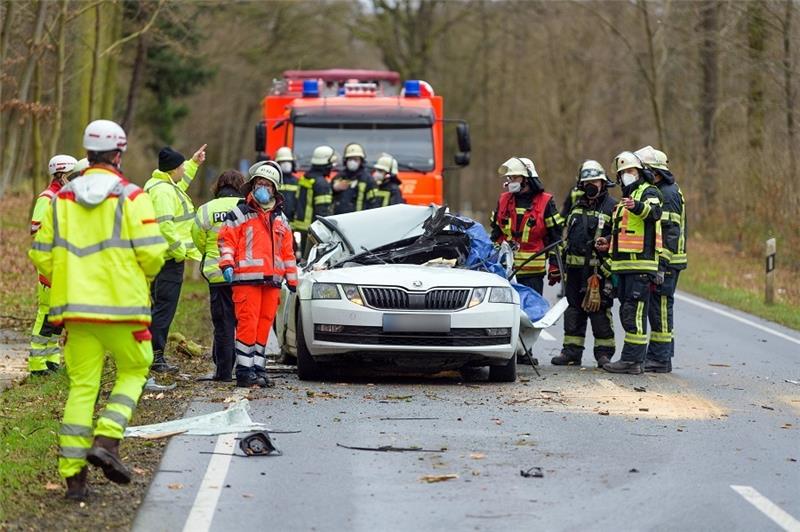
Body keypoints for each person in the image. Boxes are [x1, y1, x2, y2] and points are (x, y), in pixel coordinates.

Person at [29, 119, 167, 501]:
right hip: (123, 309)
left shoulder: (60, 200)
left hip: (75, 311)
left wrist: (68, 278)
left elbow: (41, 255)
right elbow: (154, 254)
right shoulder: (133, 197)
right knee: (135, 368)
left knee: (82, 389)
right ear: (119, 154)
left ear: (87, 153)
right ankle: (107, 439)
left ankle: (74, 481)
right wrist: (138, 274)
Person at [217, 162, 298, 388]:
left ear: (274, 189)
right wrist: (227, 264)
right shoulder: (240, 213)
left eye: (267, 185)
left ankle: (258, 369)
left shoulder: (280, 219)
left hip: (272, 282)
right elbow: (226, 241)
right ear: (252, 186)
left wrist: (292, 279)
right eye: (259, 183)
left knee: (263, 327)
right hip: (246, 280)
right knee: (248, 325)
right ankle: (244, 372)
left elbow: (288, 252)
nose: (263, 188)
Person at [144, 144, 207, 373]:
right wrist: (179, 251)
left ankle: (150, 355)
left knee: (158, 307)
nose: (183, 170)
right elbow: (165, 226)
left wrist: (193, 163)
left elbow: (181, 183)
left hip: (160, 257)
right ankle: (155, 358)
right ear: (172, 170)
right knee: (164, 309)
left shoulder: (162, 185)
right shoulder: (163, 192)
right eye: (181, 167)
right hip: (169, 259)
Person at [552, 160, 617, 367]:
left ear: (603, 183)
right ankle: (571, 352)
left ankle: (604, 354)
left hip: (598, 271)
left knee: (599, 312)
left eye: (595, 182)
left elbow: (619, 240)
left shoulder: (613, 207)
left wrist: (607, 269)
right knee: (573, 311)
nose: (591, 186)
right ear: (581, 184)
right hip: (574, 272)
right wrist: (558, 265)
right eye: (587, 182)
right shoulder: (576, 207)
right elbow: (568, 239)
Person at [603, 151, 663, 375]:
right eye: (623, 173)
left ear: (639, 172)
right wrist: (607, 242)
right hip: (624, 266)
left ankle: (632, 361)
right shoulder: (625, 200)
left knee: (634, 313)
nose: (626, 175)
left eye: (630, 171)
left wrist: (637, 206)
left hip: (640, 265)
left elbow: (655, 212)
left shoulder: (648, 191)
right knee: (627, 312)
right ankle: (632, 360)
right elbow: (623, 233)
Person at [635, 146, 687, 373]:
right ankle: (662, 355)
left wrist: (661, 265)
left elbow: (670, 233)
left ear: (654, 172)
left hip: (668, 262)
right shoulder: (661, 191)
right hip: (664, 261)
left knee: (661, 310)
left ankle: (660, 358)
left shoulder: (668, 194)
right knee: (657, 309)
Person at [191, 170, 245, 382]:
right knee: (244, 324)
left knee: (223, 324)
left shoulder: (206, 209)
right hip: (244, 275)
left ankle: (223, 372)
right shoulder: (246, 207)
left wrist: (210, 254)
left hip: (217, 274)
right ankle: (247, 369)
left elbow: (198, 238)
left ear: (219, 186)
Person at [28, 154, 78, 376]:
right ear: (61, 175)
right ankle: (37, 364)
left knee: (58, 316)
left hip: (64, 264)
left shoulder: (67, 198)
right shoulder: (47, 198)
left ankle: (51, 360)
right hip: (50, 264)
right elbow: (36, 229)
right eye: (72, 175)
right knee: (47, 313)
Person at [490, 157, 563, 294]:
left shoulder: (545, 202)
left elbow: (556, 238)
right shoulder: (503, 200)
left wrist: (555, 265)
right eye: (509, 178)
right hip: (505, 271)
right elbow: (496, 235)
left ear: (527, 179)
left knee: (531, 308)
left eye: (515, 178)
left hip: (533, 275)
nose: (510, 181)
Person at [293, 145, 335, 251]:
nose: (332, 167)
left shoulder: (305, 177)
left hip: (303, 227)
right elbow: (323, 211)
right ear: (326, 164)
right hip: (315, 231)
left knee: (304, 256)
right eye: (331, 164)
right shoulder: (322, 184)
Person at [332, 143, 374, 214]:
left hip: (358, 217)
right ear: (345, 160)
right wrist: (334, 188)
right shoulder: (339, 176)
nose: (352, 162)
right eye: (350, 159)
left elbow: (373, 202)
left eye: (355, 159)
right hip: (339, 217)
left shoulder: (368, 179)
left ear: (361, 161)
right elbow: (328, 195)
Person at [275, 147, 299, 223]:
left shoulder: (297, 181)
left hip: (292, 220)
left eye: (288, 162)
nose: (286, 164)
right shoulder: (274, 180)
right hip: (275, 219)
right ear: (278, 164)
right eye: (283, 162)